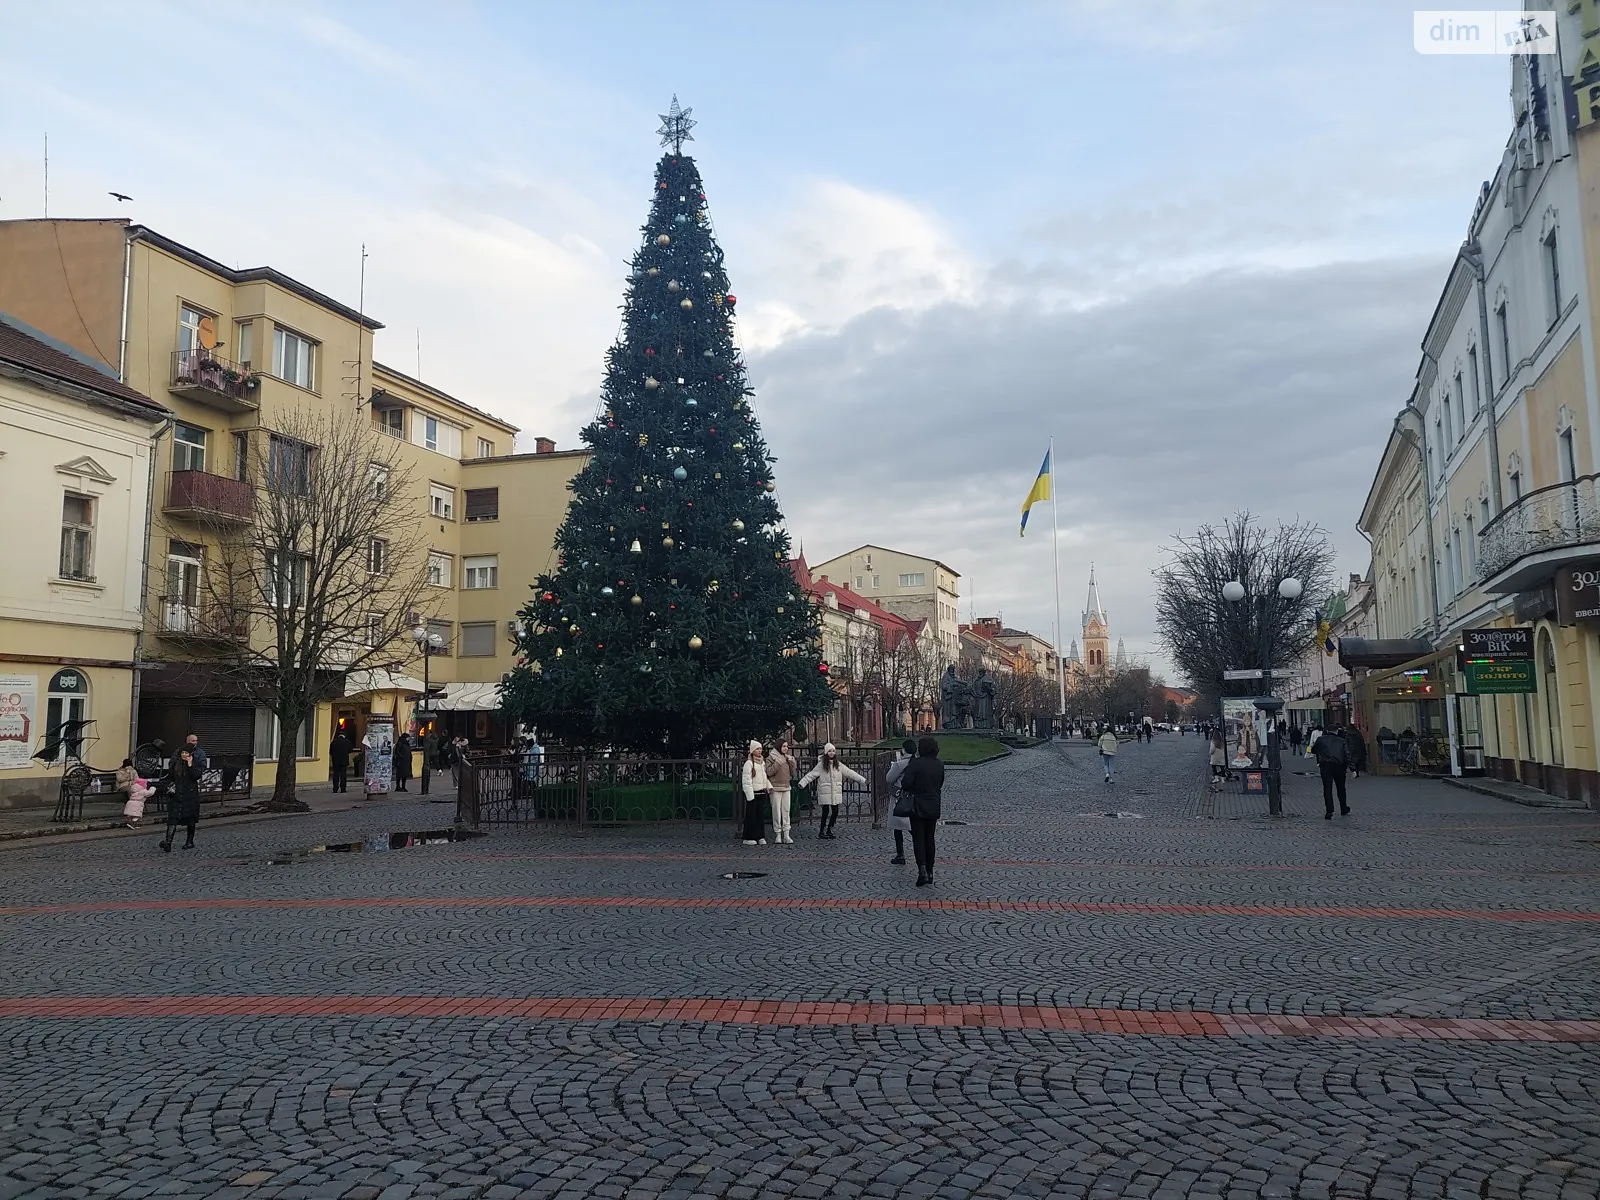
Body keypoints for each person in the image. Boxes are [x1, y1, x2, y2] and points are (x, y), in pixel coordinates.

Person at [897, 736, 945, 887]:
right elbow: (940, 782)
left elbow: (906, 783)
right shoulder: (939, 764)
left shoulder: (916, 764)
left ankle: (922, 871)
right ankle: (930, 872)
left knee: (919, 839)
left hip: (917, 805)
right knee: (930, 838)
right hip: (933, 803)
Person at [799, 742, 866, 839]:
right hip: (825, 791)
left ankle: (829, 828)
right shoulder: (821, 765)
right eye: (829, 751)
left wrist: (861, 779)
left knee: (835, 811)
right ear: (826, 752)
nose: (831, 753)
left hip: (835, 792)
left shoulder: (838, 765)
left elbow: (849, 772)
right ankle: (822, 831)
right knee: (825, 812)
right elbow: (811, 775)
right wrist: (802, 783)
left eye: (833, 751)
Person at [162, 747, 202, 852]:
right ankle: (168, 842)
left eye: (186, 753)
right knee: (173, 819)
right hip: (177, 796)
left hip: (190, 796)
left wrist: (190, 765)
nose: (184, 755)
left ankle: (189, 841)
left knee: (190, 819)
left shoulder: (195, 764)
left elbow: (196, 776)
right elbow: (170, 777)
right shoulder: (176, 764)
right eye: (183, 753)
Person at [885, 737, 917, 864]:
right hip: (914, 796)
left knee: (897, 826)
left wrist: (893, 767)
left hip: (900, 797)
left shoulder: (900, 764)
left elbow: (889, 778)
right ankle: (921, 849)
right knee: (913, 826)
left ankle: (900, 854)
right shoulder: (917, 762)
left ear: (904, 750)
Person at [1313, 721, 1351, 819]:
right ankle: (1343, 808)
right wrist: (1351, 768)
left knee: (1327, 788)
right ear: (1336, 731)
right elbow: (1347, 755)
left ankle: (1329, 810)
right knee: (1341, 788)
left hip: (1325, 766)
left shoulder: (1321, 739)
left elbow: (1314, 750)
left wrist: (1321, 754)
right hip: (1339, 766)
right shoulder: (1341, 741)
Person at [764, 738, 798, 845]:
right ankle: (778, 834)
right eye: (784, 746)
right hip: (775, 788)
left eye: (787, 746)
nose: (786, 748)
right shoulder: (771, 758)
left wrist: (792, 763)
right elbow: (769, 772)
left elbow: (792, 772)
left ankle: (786, 834)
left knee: (786, 811)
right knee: (776, 812)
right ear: (779, 747)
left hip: (786, 787)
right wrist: (778, 763)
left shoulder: (787, 758)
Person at [739, 740, 770, 846]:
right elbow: (746, 780)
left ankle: (760, 836)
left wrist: (768, 786)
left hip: (761, 793)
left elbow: (764, 777)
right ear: (752, 750)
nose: (760, 751)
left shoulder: (762, 762)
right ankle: (748, 836)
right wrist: (749, 795)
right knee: (751, 816)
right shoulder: (749, 763)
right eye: (757, 749)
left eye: (760, 749)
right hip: (753, 794)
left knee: (760, 816)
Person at [328, 729, 353, 793]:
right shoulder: (347, 741)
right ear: (344, 735)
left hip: (335, 761)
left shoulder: (334, 742)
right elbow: (350, 750)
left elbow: (330, 752)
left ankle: (335, 788)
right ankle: (343, 789)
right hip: (344, 761)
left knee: (335, 775)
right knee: (343, 775)